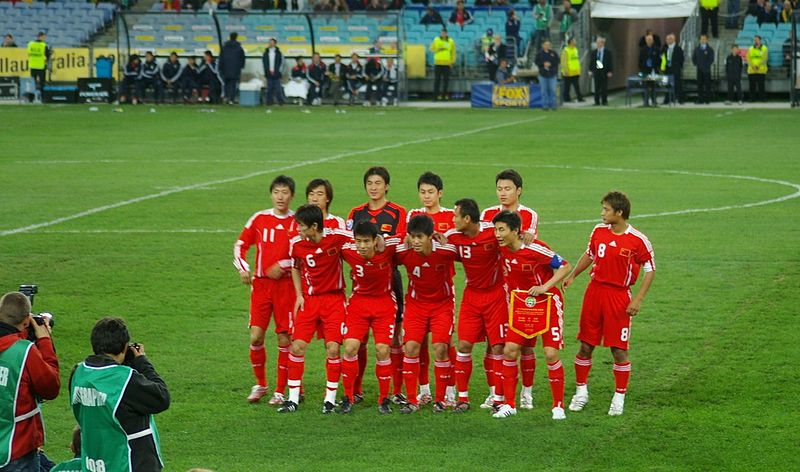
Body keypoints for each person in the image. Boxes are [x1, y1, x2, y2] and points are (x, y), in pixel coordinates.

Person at [565, 191, 656, 417]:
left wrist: (638, 299)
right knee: (586, 345)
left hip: (618, 297)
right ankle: (581, 393)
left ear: (619, 212)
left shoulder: (637, 239)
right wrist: (573, 275)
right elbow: (590, 254)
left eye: (606, 209)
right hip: (594, 292)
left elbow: (650, 269)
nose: (602, 213)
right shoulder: (598, 231)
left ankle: (619, 397)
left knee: (618, 350)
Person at [492, 210, 571, 420]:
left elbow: (564, 266)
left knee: (551, 353)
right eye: (495, 229)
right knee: (510, 350)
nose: (497, 234)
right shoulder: (502, 249)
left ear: (515, 231)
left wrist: (545, 286)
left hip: (547, 304)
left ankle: (558, 406)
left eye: (501, 230)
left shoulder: (535, 249)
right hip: (521, 306)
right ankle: (509, 404)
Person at [69, 317, 170, 470]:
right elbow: (162, 397)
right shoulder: (124, 379)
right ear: (124, 347)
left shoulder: (78, 373)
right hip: (128, 463)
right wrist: (142, 361)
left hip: (95, 462)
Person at [280, 204, 352, 413]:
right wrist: (299, 295)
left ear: (314, 226)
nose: (299, 231)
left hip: (334, 301)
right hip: (309, 302)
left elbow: (359, 241)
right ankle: (292, 399)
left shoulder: (337, 237)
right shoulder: (297, 244)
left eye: (302, 227)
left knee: (333, 348)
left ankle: (329, 399)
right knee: (297, 346)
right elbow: (295, 268)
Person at [234, 175, 297, 406]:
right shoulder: (260, 218)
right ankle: (261, 384)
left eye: (285, 192)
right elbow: (241, 245)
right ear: (271, 194)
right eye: (277, 192)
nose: (280, 197)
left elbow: (304, 253)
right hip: (261, 286)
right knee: (256, 335)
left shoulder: (296, 222)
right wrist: (243, 268)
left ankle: (281, 390)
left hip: (287, 287)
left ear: (292, 196)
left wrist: (284, 265)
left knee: (283, 337)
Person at [480, 169, 539, 409]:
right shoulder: (488, 214)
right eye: (499, 188)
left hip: (522, 288)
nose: (503, 193)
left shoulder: (529, 214)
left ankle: (527, 392)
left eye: (508, 189)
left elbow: (526, 242)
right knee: (493, 341)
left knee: (525, 343)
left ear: (519, 190)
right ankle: (494, 392)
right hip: (495, 288)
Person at [347, 167, 407, 405]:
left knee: (394, 340)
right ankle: (357, 389)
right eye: (369, 183)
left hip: (390, 279)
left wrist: (383, 240)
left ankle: (397, 390)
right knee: (357, 340)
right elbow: (348, 240)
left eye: (378, 183)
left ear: (387, 186)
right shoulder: (356, 212)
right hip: (362, 282)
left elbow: (402, 238)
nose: (373, 187)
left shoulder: (397, 212)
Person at [444, 199, 507, 413]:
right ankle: (462, 398)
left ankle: (498, 397)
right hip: (471, 297)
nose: (453, 220)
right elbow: (441, 245)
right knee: (464, 345)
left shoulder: (492, 232)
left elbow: (512, 238)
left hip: (496, 295)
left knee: (498, 346)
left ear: (467, 219)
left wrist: (525, 235)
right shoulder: (454, 237)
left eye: (456, 216)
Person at [395, 215, 458, 414]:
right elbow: (381, 245)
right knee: (411, 347)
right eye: (412, 236)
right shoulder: (403, 251)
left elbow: (470, 250)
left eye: (420, 237)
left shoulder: (447, 250)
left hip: (442, 305)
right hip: (416, 305)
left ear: (431, 236)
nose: (415, 241)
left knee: (440, 348)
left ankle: (442, 399)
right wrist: (395, 238)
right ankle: (413, 399)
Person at [338, 221, 400, 414]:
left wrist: (383, 238)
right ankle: (348, 397)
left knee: (382, 350)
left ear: (375, 241)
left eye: (366, 241)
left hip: (384, 304)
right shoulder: (348, 250)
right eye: (359, 241)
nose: (362, 246)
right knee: (350, 347)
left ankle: (384, 399)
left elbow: (406, 237)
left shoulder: (388, 249)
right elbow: (332, 239)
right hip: (359, 304)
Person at [406, 172, 457, 406]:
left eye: (430, 192)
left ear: (440, 193)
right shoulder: (413, 215)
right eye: (422, 192)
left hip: (443, 289)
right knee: (418, 344)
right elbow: (403, 240)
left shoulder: (449, 215)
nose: (426, 196)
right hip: (418, 291)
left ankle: (449, 389)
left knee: (443, 344)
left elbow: (459, 239)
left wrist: (444, 239)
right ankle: (423, 390)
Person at [0, 291, 60, 470]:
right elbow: (50, 387)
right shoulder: (24, 352)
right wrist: (44, 340)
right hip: (17, 449)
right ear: (26, 321)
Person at [430, 28, 456, 101]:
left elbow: (453, 53)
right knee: (437, 80)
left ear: (446, 33)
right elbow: (431, 49)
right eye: (442, 33)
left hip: (447, 63)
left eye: (444, 33)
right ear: (441, 33)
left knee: (446, 81)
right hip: (438, 63)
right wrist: (437, 50)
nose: (443, 34)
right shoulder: (436, 40)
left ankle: (444, 96)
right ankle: (435, 97)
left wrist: (452, 62)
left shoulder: (451, 41)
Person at [220, 32, 245, 104]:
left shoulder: (224, 47)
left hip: (225, 69)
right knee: (233, 84)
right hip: (235, 69)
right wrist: (241, 67)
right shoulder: (239, 48)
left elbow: (221, 58)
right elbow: (242, 58)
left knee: (226, 84)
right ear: (236, 37)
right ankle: (231, 99)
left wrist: (221, 67)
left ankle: (226, 97)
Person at [660, 33, 684, 104]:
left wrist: (678, 67)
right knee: (667, 84)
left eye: (669, 39)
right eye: (667, 39)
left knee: (677, 84)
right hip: (667, 69)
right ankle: (667, 99)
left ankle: (679, 99)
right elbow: (662, 58)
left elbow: (681, 59)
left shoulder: (678, 48)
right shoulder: (665, 49)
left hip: (675, 69)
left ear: (673, 40)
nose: (668, 40)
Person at [535, 40, 559, 110]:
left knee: (553, 90)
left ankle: (553, 105)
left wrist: (550, 64)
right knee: (544, 91)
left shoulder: (553, 53)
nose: (547, 46)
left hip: (552, 74)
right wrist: (543, 64)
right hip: (543, 74)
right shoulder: (539, 54)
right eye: (546, 44)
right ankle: (545, 106)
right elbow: (536, 62)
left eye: (548, 44)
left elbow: (557, 61)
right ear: (543, 45)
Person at [589, 37, 613, 106]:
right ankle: (596, 101)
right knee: (596, 87)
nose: (598, 44)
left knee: (604, 87)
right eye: (597, 43)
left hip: (604, 71)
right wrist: (590, 70)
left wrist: (610, 71)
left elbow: (610, 62)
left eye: (599, 43)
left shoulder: (608, 52)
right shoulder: (594, 52)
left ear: (602, 43)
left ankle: (604, 101)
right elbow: (592, 62)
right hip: (596, 71)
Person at [638, 34, 661, 107]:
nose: (649, 41)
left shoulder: (657, 49)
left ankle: (654, 101)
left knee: (654, 86)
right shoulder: (642, 50)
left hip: (653, 71)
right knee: (645, 86)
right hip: (645, 71)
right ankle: (645, 102)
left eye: (650, 39)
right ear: (645, 40)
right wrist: (641, 69)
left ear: (653, 40)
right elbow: (640, 60)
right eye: (648, 39)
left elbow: (659, 60)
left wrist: (657, 68)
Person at [692, 34, 715, 104]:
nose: (702, 40)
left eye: (704, 39)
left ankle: (707, 100)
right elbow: (694, 58)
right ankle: (700, 100)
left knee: (707, 85)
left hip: (707, 70)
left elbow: (711, 59)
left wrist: (706, 65)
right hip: (699, 70)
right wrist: (697, 64)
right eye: (701, 39)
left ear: (707, 40)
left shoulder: (710, 49)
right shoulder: (697, 49)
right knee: (699, 85)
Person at [27, 32, 50, 98]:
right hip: (41, 66)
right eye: (44, 37)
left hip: (33, 66)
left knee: (32, 83)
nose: (44, 39)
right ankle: (43, 97)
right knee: (42, 83)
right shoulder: (43, 45)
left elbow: (29, 53)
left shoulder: (30, 44)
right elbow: (47, 55)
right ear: (41, 37)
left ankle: (31, 98)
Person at [262, 38, 285, 106]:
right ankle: (269, 101)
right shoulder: (266, 53)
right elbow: (264, 63)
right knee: (269, 88)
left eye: (272, 42)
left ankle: (280, 101)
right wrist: (266, 71)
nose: (270, 44)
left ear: (275, 43)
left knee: (278, 88)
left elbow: (282, 63)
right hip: (269, 73)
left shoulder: (279, 53)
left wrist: (279, 71)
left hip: (277, 73)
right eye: (269, 42)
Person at [561, 36, 583, 102]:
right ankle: (566, 99)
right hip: (568, 72)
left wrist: (579, 70)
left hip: (575, 72)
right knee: (567, 87)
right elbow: (563, 62)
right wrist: (566, 71)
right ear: (570, 42)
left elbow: (576, 60)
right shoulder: (565, 50)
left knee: (577, 86)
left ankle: (580, 98)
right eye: (574, 41)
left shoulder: (575, 49)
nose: (575, 42)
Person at [747, 35, 768, 101]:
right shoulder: (750, 48)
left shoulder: (764, 48)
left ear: (760, 40)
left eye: (757, 40)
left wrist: (758, 66)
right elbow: (748, 59)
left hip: (761, 70)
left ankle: (762, 98)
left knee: (761, 86)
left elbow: (765, 59)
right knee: (752, 86)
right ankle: (752, 98)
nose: (756, 41)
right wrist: (753, 66)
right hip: (751, 70)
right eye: (755, 40)